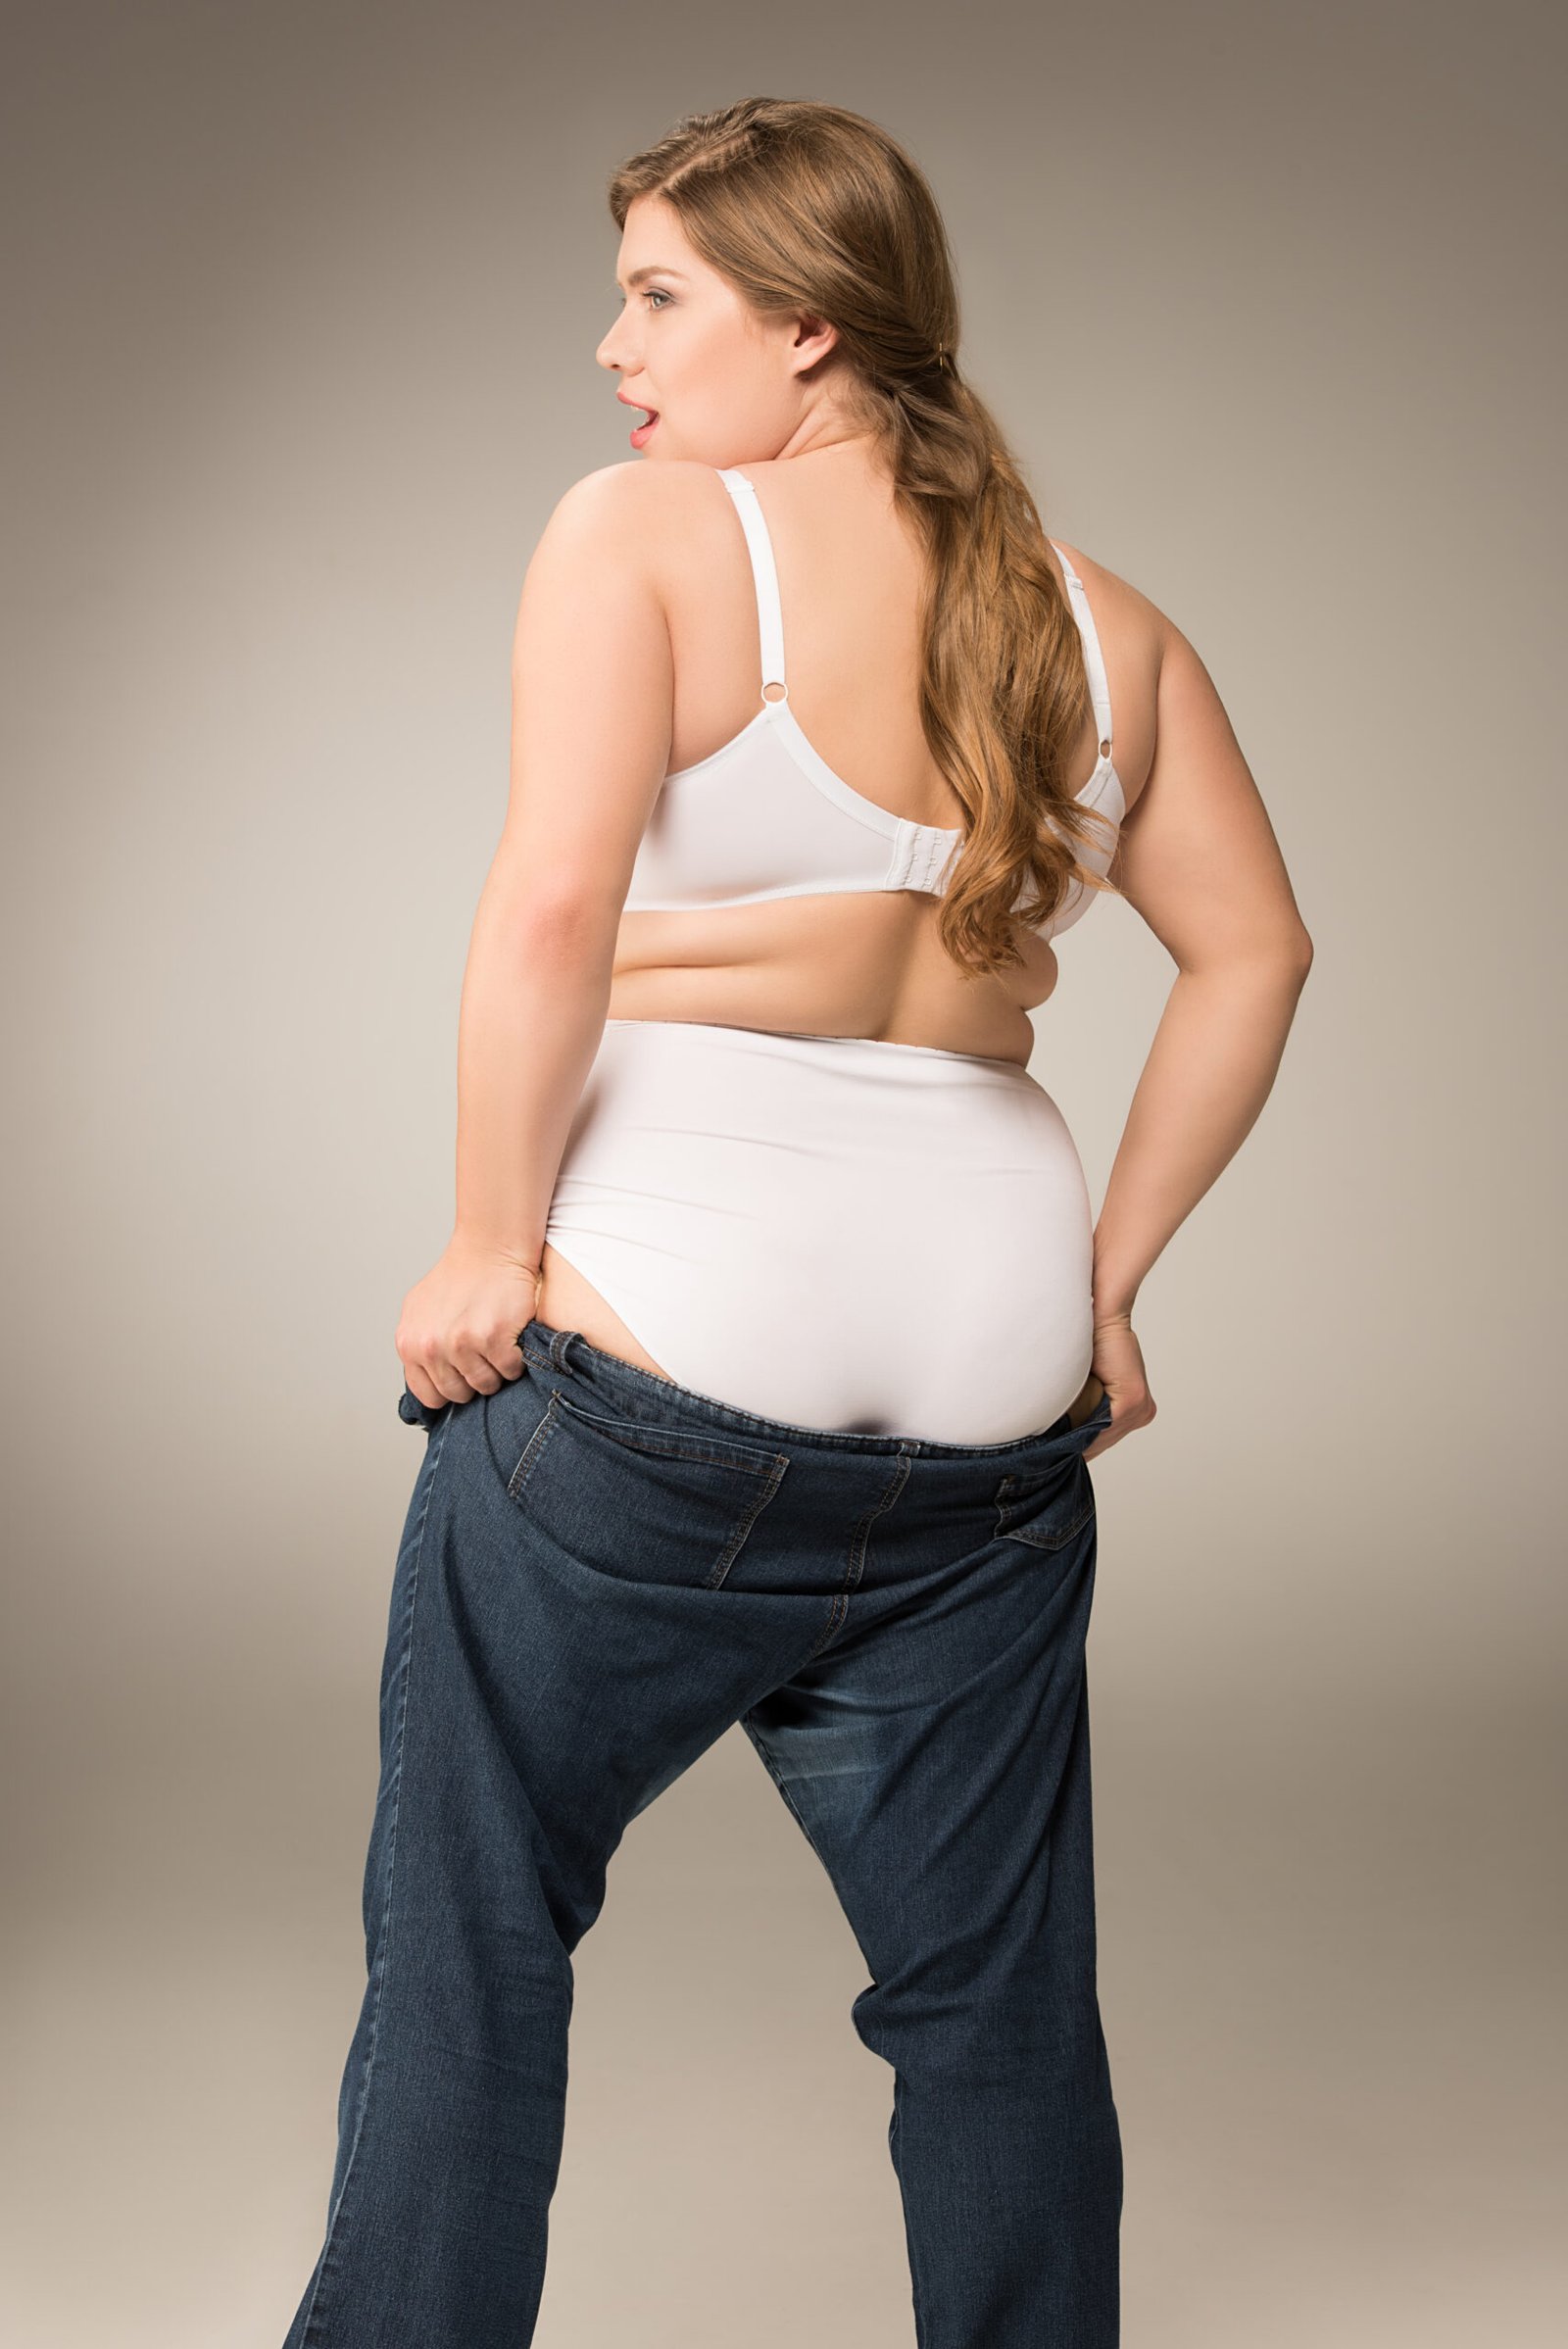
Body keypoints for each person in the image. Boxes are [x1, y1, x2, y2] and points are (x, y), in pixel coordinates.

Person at [281, 96, 1312, 2349]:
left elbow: (549, 908)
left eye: (657, 295)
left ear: (810, 325)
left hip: (655, 1387)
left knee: (470, 1938)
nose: (613, 348)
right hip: (987, 1422)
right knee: (991, 1999)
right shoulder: (1101, 625)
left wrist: (486, 1237)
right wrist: (1102, 1282)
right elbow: (1257, 952)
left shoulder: (645, 533)